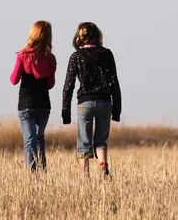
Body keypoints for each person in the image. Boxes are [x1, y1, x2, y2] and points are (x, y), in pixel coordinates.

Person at [62, 22, 121, 177]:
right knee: (101, 141)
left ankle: (85, 177)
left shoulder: (76, 57)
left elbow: (68, 85)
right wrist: (117, 110)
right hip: (104, 102)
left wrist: (65, 112)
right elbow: (114, 82)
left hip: (85, 103)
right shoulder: (107, 54)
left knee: (84, 142)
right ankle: (103, 164)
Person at [10, 20, 56, 171]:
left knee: (29, 141)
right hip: (43, 105)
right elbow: (50, 84)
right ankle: (42, 172)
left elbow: (14, 80)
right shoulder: (50, 58)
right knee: (39, 139)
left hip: (26, 105)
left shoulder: (23, 55)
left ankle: (32, 176)